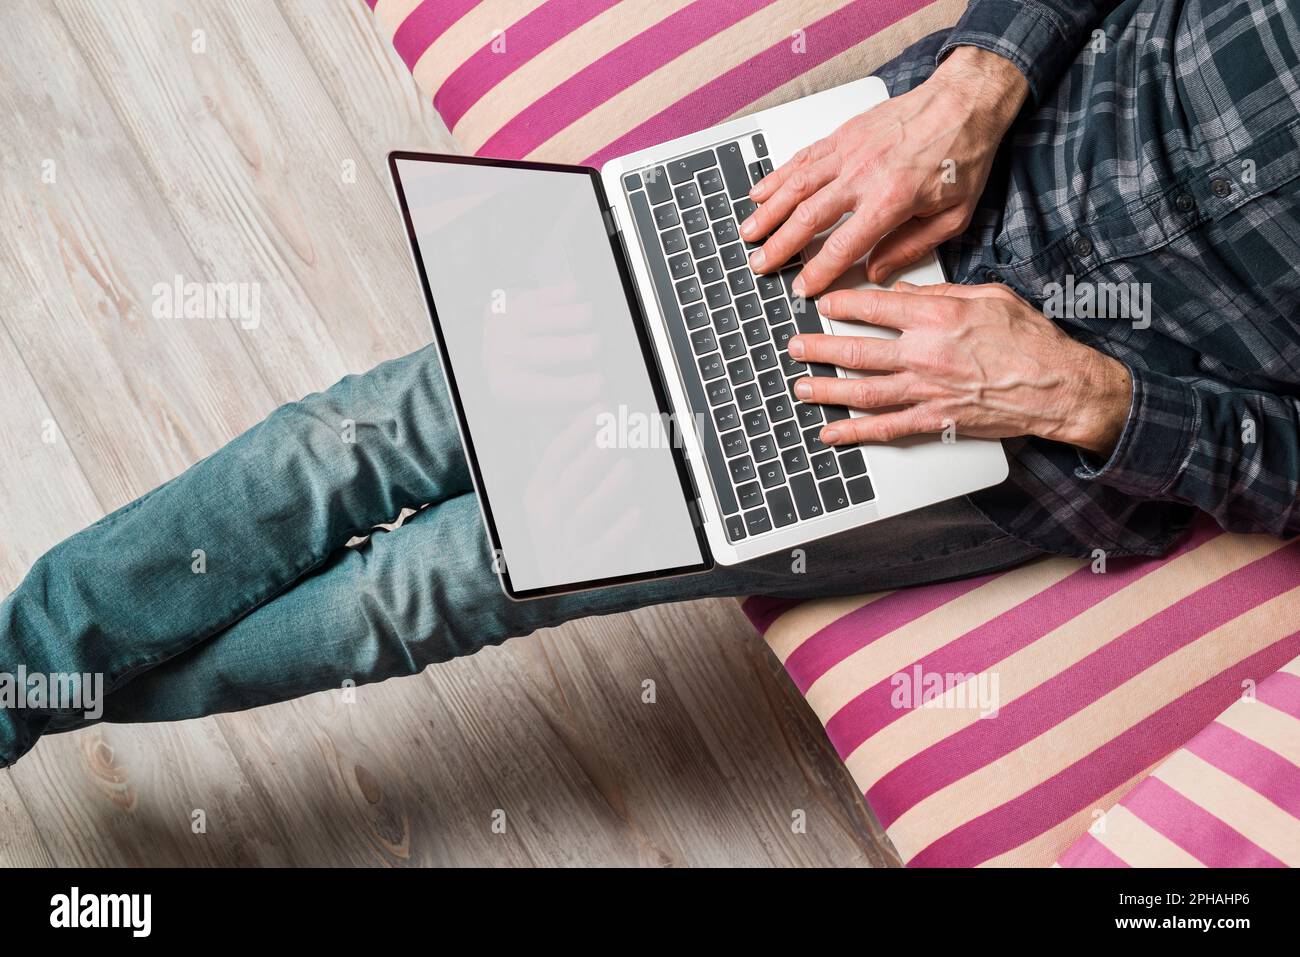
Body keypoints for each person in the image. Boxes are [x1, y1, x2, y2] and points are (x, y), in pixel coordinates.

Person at [3, 0, 1297, 768]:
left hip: (1011, 428)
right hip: (895, 178)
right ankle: (23, 679)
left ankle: (49, 689)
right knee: (363, 433)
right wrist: (975, 81)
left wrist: (1088, 400)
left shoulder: (1066, 410)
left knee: (440, 584)